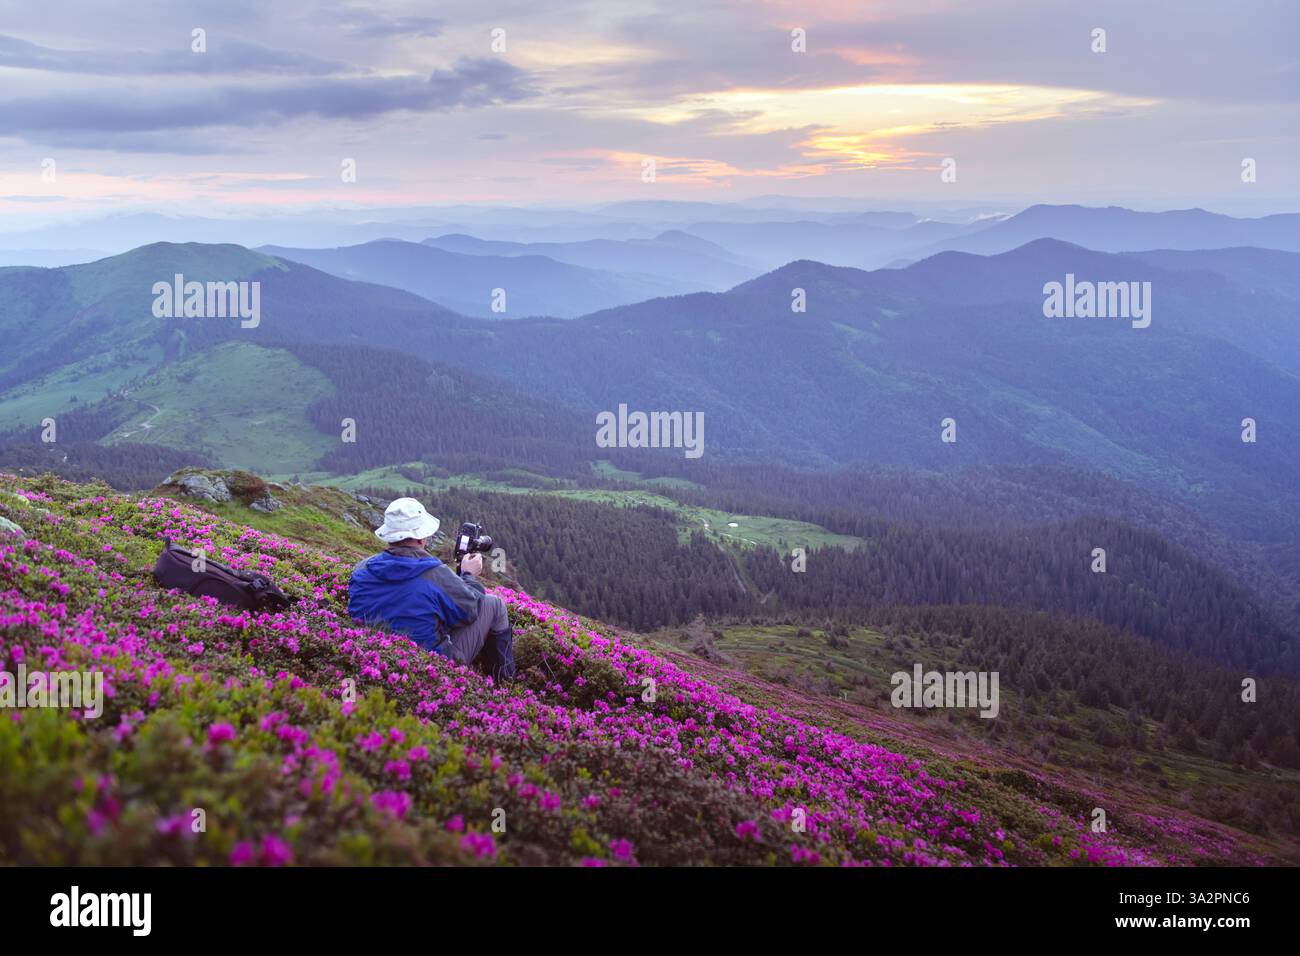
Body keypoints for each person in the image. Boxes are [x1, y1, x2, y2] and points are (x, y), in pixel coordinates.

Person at [347, 497, 515, 681]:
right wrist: (468, 576)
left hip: (372, 659)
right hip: (431, 669)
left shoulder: (361, 569)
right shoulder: (434, 574)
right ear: (420, 537)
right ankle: (503, 683)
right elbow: (471, 610)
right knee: (494, 604)